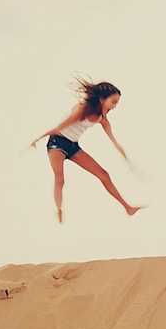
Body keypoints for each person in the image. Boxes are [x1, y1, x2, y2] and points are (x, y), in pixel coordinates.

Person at [30, 80, 143, 224]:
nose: (114, 107)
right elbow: (59, 127)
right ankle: (59, 210)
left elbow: (113, 140)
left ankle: (128, 208)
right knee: (60, 179)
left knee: (104, 174)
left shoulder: (102, 119)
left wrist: (125, 156)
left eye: (116, 104)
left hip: (73, 146)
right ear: (102, 99)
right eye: (113, 102)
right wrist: (37, 138)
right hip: (57, 143)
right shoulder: (82, 109)